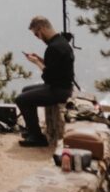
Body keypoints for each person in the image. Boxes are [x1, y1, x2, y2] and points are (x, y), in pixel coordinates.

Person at [16, 15, 77, 146]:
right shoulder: (60, 42)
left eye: (37, 34)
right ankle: (33, 130)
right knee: (25, 91)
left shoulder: (53, 48)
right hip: (62, 86)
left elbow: (49, 76)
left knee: (21, 99)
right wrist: (40, 59)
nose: (38, 38)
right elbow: (54, 68)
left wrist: (37, 63)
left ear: (42, 28)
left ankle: (37, 138)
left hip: (59, 90)